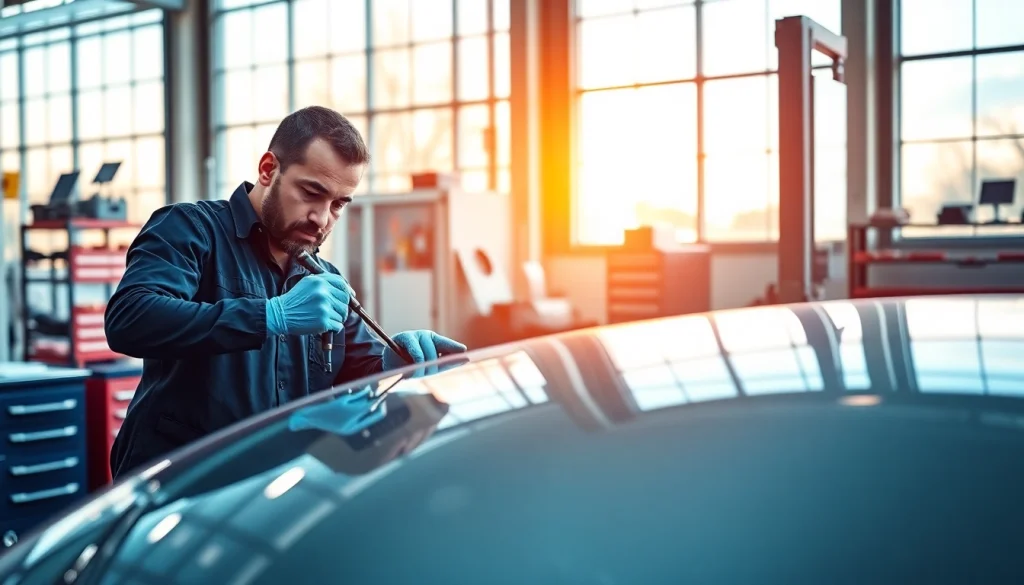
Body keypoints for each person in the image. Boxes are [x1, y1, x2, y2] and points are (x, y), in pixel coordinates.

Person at [104, 105, 467, 479]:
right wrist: (270, 316)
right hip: (177, 487)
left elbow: (356, 378)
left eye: (338, 204)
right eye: (312, 193)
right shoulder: (191, 229)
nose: (322, 219)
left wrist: (392, 366)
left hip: (276, 490)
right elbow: (131, 318)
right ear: (268, 170)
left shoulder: (326, 281)